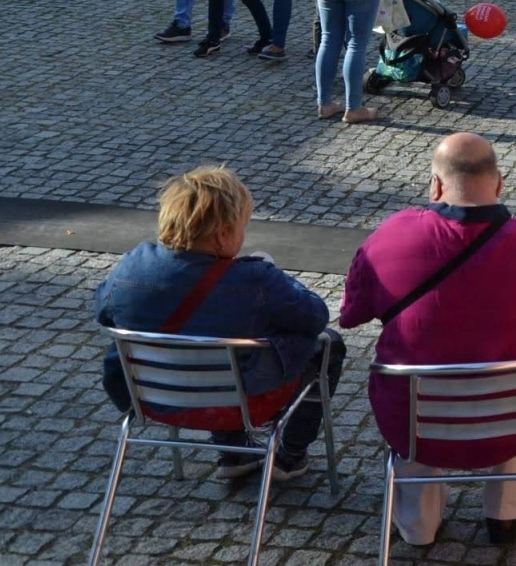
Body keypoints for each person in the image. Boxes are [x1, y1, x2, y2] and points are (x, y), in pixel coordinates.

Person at [340, 134, 516, 547]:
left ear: (434, 184)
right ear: (499, 184)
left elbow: (351, 314)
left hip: (414, 423)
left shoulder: (388, 238)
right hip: (512, 424)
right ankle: (507, 516)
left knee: (410, 399)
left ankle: (417, 527)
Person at [94, 166, 344, 480]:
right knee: (328, 344)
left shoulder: (131, 267)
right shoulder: (254, 279)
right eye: (243, 226)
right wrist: (273, 273)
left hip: (153, 399)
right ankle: (290, 455)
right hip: (241, 401)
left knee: (210, 334)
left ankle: (234, 451)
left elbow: (104, 312)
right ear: (223, 234)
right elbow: (314, 316)